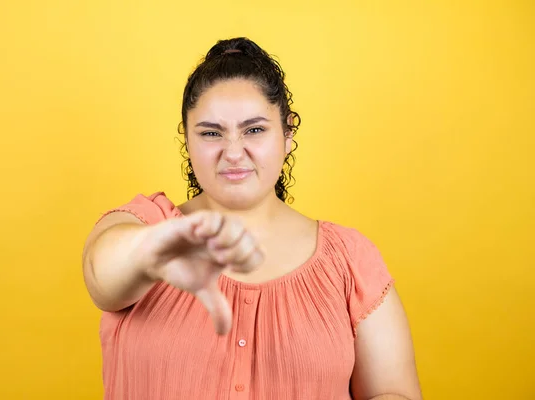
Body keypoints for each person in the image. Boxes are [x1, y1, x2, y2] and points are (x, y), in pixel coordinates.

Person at [82, 37, 422, 400]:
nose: (232, 152)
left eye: (254, 130)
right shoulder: (146, 223)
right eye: (211, 133)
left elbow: (392, 391)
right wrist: (152, 251)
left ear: (288, 133)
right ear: (187, 137)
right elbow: (101, 281)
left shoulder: (350, 259)